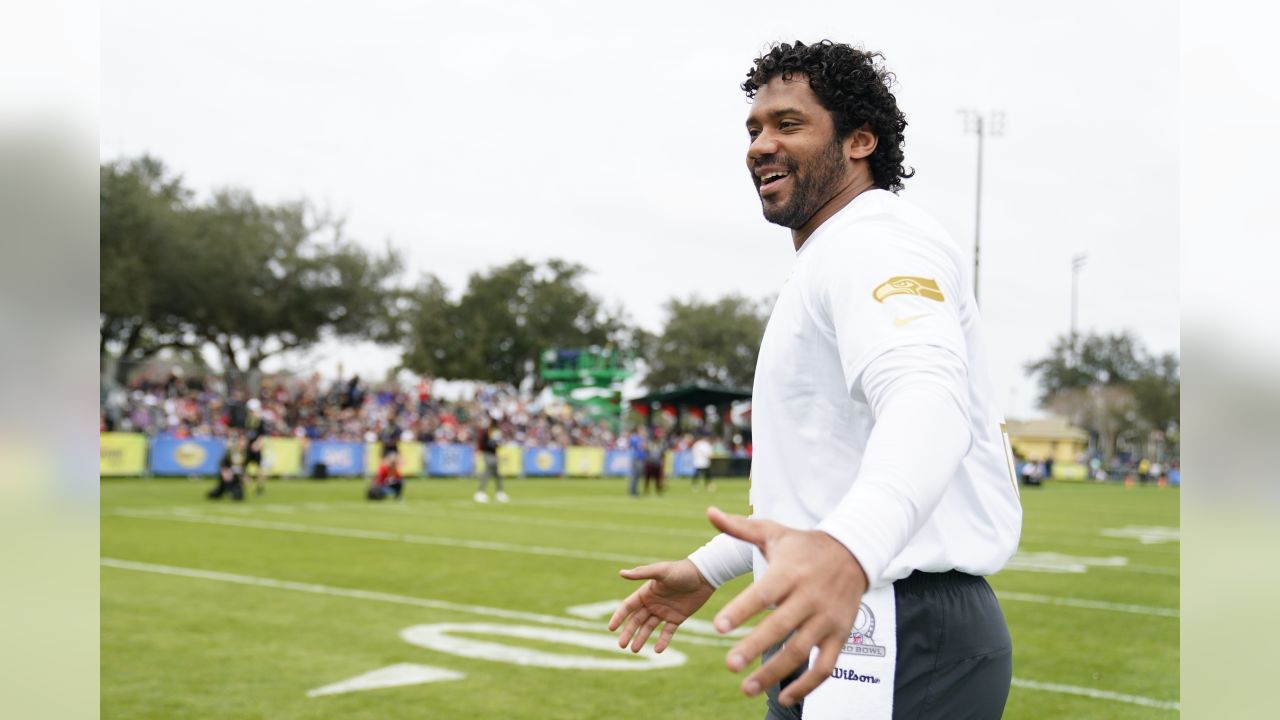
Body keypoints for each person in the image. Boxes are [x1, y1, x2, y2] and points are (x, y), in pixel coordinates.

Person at [608, 41, 1022, 720]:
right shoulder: (839, 249)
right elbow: (823, 481)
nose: (760, 145)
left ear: (861, 140)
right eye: (753, 129)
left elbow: (928, 399)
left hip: (892, 623)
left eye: (788, 124)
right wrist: (712, 567)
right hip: (868, 615)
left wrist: (849, 549)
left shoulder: (874, 243)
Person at [208, 432, 249, 501]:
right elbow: (223, 463)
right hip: (227, 475)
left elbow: (243, 467)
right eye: (242, 441)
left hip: (236, 476)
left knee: (239, 496)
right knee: (218, 492)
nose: (244, 443)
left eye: (245, 441)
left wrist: (245, 476)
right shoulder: (231, 451)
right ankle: (215, 493)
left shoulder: (245, 453)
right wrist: (225, 473)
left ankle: (231, 491)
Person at [474, 421, 508, 503]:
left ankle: (499, 493)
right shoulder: (486, 433)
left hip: (492, 454)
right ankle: (480, 492)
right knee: (488, 472)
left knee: (497, 475)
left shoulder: (493, 433)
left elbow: (494, 445)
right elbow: (485, 445)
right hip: (487, 454)